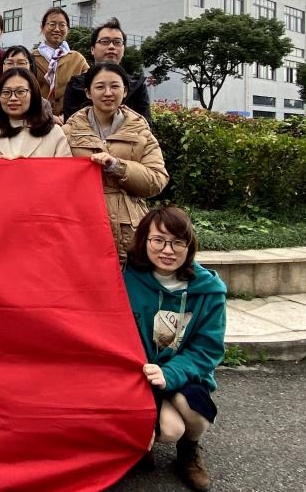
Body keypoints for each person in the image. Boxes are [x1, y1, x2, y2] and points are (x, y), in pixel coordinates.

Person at [123, 206, 226, 492]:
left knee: (193, 411)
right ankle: (142, 441)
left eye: (178, 242)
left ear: (189, 245)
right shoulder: (125, 280)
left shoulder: (209, 290)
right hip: (140, 376)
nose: (168, 250)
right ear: (144, 241)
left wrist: (170, 374)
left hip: (184, 376)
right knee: (170, 430)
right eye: (158, 240)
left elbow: (208, 349)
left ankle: (189, 451)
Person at [62, 62, 168, 262]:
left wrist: (117, 166)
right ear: (88, 92)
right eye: (100, 87)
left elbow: (157, 180)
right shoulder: (68, 132)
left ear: (125, 91)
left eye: (115, 86)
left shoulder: (141, 132)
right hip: (82, 227)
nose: (108, 93)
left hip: (130, 231)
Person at [63, 17, 152, 124]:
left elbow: (145, 126)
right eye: (105, 41)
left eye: (117, 42)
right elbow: (71, 125)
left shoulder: (137, 86)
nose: (111, 46)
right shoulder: (76, 85)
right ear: (92, 49)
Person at [0, 69, 71, 158]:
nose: (13, 98)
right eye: (6, 92)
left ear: (33, 95)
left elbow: (65, 169)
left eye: (20, 92)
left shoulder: (54, 133)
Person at [31, 6, 89, 117]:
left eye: (62, 25)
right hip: (38, 119)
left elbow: (89, 89)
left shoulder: (78, 59)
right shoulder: (31, 58)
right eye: (52, 24)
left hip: (71, 120)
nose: (57, 29)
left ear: (67, 29)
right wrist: (47, 115)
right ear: (42, 27)